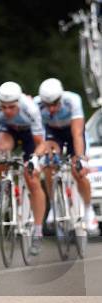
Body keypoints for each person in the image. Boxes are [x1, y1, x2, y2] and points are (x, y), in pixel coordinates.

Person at [35, 78, 99, 234]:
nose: (51, 109)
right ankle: (54, 205)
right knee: (49, 165)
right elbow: (40, 135)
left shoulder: (72, 100)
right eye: (47, 105)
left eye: (55, 104)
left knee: (79, 171)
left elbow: (77, 134)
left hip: (72, 133)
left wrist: (80, 158)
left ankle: (87, 208)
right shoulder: (36, 104)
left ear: (61, 98)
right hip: (53, 134)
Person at [0, 81, 47, 255]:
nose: (7, 111)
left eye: (11, 107)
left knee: (32, 178)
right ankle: (4, 187)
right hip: (8, 132)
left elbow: (41, 143)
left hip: (30, 136)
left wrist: (34, 160)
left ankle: (38, 230)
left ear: (18, 103)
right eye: (4, 107)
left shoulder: (30, 108)